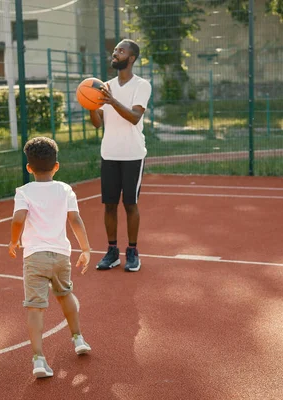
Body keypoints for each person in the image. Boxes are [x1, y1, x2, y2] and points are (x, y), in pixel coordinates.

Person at [8, 136, 92, 379]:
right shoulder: (65, 189)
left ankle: (39, 360)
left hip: (35, 257)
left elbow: (17, 220)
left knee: (35, 307)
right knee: (65, 295)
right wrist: (85, 249)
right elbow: (75, 220)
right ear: (57, 166)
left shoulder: (23, 192)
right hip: (60, 256)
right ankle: (78, 338)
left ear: (28, 168)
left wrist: (14, 241)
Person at [89, 39, 152, 273]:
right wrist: (90, 106)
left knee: (130, 204)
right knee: (109, 205)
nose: (115, 53)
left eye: (120, 50)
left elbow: (135, 116)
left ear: (132, 58)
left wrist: (112, 100)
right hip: (109, 153)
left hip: (133, 154)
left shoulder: (141, 85)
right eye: (114, 50)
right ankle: (112, 251)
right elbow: (97, 124)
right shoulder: (105, 86)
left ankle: (133, 251)